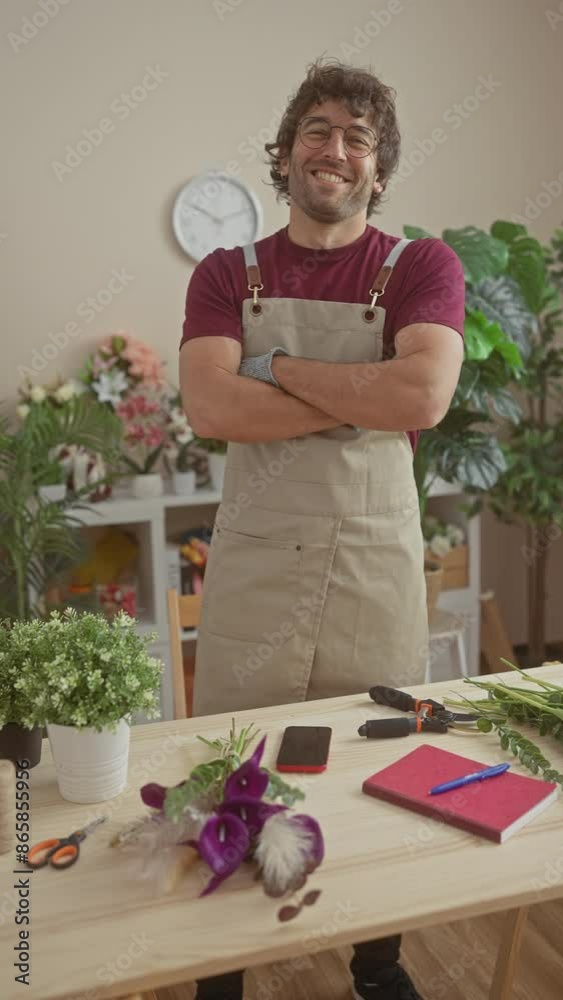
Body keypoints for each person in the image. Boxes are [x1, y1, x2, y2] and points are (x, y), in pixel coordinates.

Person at [179, 56, 465, 1000]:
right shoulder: (227, 271)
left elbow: (422, 391)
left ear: (378, 169)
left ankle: (375, 966)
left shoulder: (420, 265)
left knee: (371, 763)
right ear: (285, 151)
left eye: (356, 138)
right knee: (235, 765)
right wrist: (357, 401)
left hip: (371, 564)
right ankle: (220, 971)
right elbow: (212, 409)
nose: (332, 150)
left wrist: (277, 369)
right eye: (316, 130)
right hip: (257, 565)